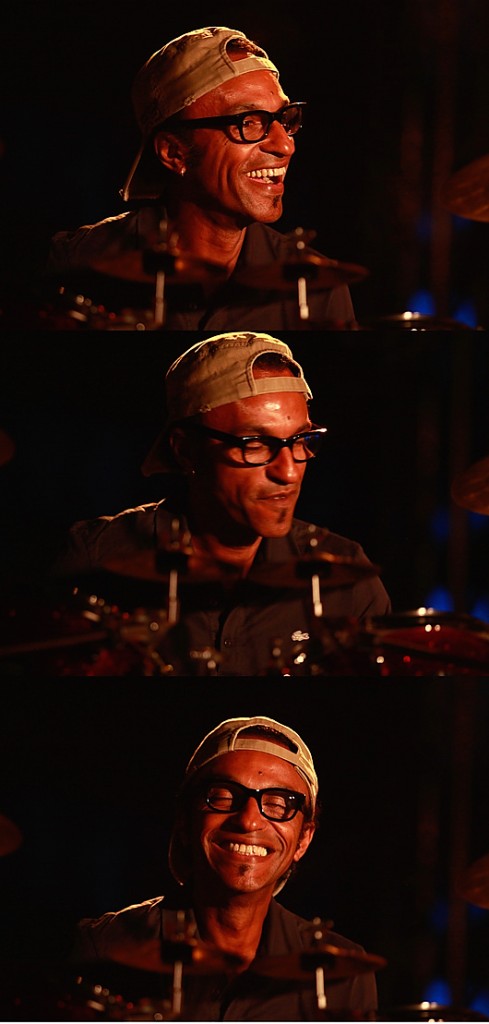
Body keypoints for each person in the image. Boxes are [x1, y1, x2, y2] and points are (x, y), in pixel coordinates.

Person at [48, 331, 391, 677]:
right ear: (185, 451)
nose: (288, 472)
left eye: (301, 440)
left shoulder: (347, 580)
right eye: (255, 443)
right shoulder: (94, 559)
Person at [42, 26, 358, 331]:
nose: (285, 145)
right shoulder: (76, 264)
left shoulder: (316, 288)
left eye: (284, 119)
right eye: (249, 121)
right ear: (174, 153)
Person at [69, 715, 383, 1020]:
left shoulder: (342, 976)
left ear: (303, 840)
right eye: (222, 796)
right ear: (185, 822)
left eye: (278, 804)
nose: (248, 820)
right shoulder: (102, 947)